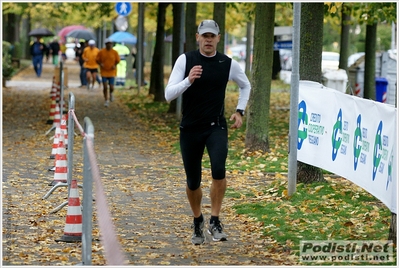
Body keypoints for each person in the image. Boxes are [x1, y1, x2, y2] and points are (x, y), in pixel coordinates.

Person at [164, 19, 251, 245]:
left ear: (218, 38)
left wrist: (239, 111)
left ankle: (214, 219)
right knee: (193, 181)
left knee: (219, 170)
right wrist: (188, 80)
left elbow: (246, 85)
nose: (209, 40)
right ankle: (197, 221)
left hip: (216, 126)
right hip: (190, 127)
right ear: (198, 37)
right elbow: (168, 94)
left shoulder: (227, 63)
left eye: (212, 36)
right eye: (205, 36)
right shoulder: (186, 60)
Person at [96, 38, 120, 107]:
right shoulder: (101, 52)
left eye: (110, 44)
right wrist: (100, 64)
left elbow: (118, 60)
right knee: (105, 86)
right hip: (104, 72)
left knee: (111, 87)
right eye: (108, 44)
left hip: (112, 72)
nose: (109, 45)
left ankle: (111, 93)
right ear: (106, 44)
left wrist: (114, 65)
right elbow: (97, 59)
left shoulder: (114, 52)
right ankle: (106, 100)